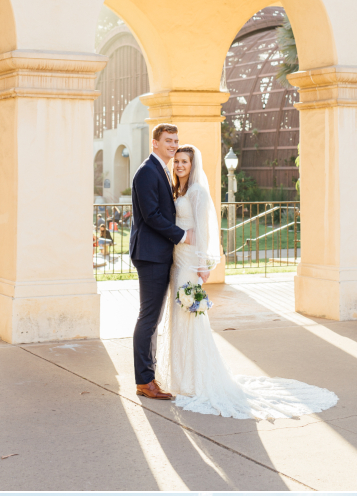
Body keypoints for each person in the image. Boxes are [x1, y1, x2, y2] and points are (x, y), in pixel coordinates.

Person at [155, 145, 339, 422]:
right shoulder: (177, 191)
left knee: (189, 317)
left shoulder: (197, 192)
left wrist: (204, 267)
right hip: (176, 261)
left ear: (193, 166)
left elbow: (205, 231)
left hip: (189, 264)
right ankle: (183, 378)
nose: (179, 165)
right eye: (177, 161)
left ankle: (195, 380)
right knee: (179, 318)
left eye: (185, 162)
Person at [130, 124, 187, 403]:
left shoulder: (161, 169)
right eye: (168, 140)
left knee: (153, 319)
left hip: (159, 254)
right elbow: (151, 215)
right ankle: (144, 381)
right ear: (155, 143)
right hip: (150, 255)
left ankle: (148, 376)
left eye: (176, 140)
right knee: (149, 318)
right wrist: (182, 235)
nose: (173, 145)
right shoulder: (146, 171)